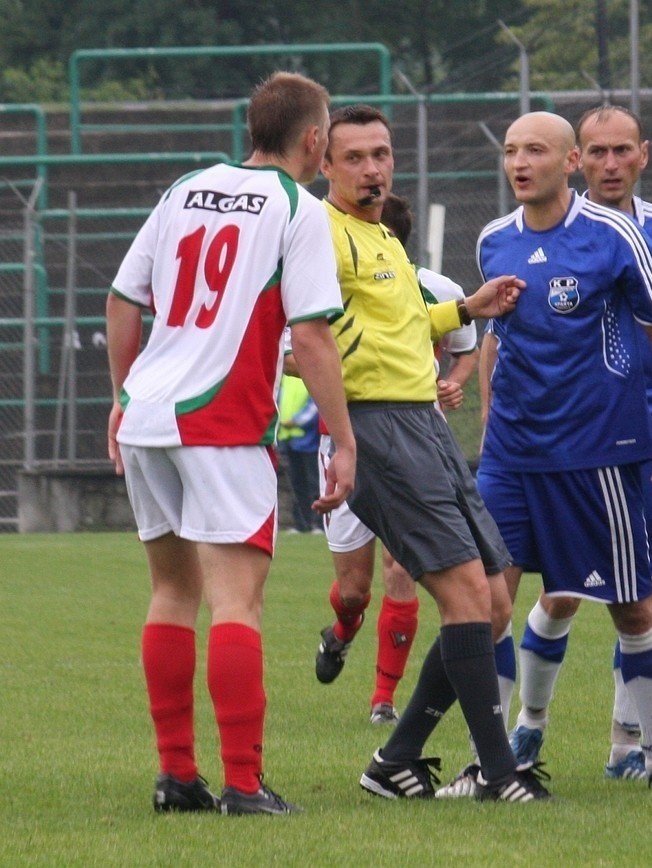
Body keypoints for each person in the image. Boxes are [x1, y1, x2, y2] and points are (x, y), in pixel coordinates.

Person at [105, 71, 356, 816]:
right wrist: (342, 440)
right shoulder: (298, 209)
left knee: (171, 593)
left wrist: (123, 399)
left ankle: (177, 776)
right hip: (220, 423)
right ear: (315, 140)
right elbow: (310, 336)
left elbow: (122, 301)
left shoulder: (185, 187)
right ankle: (244, 784)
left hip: (149, 413)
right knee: (236, 602)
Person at [319, 103, 549, 802]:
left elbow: (408, 322)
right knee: (465, 597)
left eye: (380, 154)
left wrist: (469, 308)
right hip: (381, 428)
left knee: (495, 601)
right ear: (323, 164)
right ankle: (500, 775)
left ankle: (395, 760)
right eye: (354, 158)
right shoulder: (318, 239)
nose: (372, 169)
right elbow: (297, 345)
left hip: (423, 422)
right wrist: (346, 432)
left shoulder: (380, 237)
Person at [498, 105, 652, 783]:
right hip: (578, 436)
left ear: (643, 155)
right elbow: (500, 337)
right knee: (562, 591)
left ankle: (630, 748)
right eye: (596, 151)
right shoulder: (531, 234)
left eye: (621, 150)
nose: (609, 164)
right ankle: (525, 731)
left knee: (646, 593)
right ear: (577, 160)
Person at [312, 192, 480, 726]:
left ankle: (382, 699)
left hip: (416, 440)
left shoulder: (437, 289)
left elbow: (465, 345)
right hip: (345, 441)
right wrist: (344, 372)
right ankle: (340, 631)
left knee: (402, 569)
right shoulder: (326, 287)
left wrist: (451, 382)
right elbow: (296, 357)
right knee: (355, 590)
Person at [277, 374, 324, 534]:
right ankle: (301, 524)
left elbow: (315, 404)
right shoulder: (286, 378)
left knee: (314, 483)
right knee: (297, 485)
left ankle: (319, 523)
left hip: (309, 439)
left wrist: (296, 421)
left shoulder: (307, 374)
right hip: (289, 438)